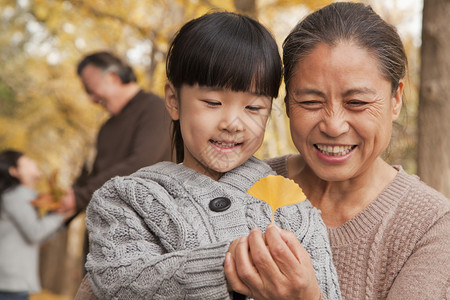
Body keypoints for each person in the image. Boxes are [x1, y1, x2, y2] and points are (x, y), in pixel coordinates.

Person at [74, 11, 341, 300]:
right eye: (213, 102)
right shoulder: (127, 199)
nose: (232, 123)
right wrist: (225, 267)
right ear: (174, 101)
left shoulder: (294, 209)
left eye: (253, 108)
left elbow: (326, 290)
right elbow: (117, 280)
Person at [226, 2, 450, 299]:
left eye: (356, 103)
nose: (333, 126)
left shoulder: (430, 226)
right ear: (288, 102)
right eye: (310, 102)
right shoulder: (241, 186)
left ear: (396, 99)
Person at [60, 51, 172, 216]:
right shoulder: (106, 129)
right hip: (106, 228)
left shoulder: (156, 110)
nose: (91, 99)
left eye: (91, 89)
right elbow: (96, 177)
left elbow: (141, 163)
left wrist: (80, 196)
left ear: (113, 78)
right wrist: (71, 198)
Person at [0, 150, 73, 300]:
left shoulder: (25, 196)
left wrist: (62, 217)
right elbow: (35, 232)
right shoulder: (16, 195)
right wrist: (60, 215)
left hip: (12, 280)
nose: (33, 162)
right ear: (14, 171)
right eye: (26, 161)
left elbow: (40, 237)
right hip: (9, 281)